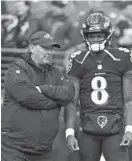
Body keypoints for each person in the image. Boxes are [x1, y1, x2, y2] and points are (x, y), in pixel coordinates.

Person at [65, 13, 132, 161]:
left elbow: (129, 100)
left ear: (108, 35)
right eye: (91, 36)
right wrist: (69, 133)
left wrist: (129, 130)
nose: (95, 39)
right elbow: (71, 101)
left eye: (99, 35)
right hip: (88, 128)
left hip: (116, 127)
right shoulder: (77, 59)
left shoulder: (122, 57)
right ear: (85, 36)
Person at [1, 31, 75, 161]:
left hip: (44, 150)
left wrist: (43, 89)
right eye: (45, 48)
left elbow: (69, 94)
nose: (49, 52)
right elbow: (29, 98)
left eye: (51, 48)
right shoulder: (16, 69)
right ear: (32, 47)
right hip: (15, 148)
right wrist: (56, 102)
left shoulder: (55, 72)